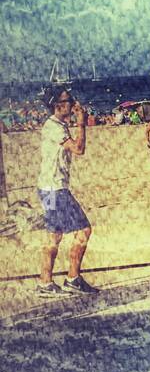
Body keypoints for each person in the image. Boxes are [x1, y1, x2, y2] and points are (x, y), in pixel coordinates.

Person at [35, 86, 98, 295]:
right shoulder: (55, 127)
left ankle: (46, 282)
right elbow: (79, 149)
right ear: (57, 105)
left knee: (54, 235)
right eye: (68, 100)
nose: (72, 103)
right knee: (84, 231)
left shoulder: (54, 125)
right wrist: (81, 121)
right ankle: (72, 279)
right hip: (55, 189)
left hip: (47, 188)